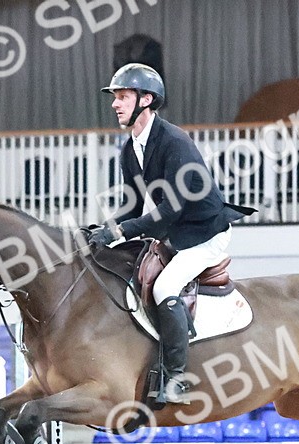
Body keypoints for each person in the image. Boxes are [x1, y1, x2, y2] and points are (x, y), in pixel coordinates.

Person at [88, 63, 252, 405]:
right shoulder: (130, 149)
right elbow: (131, 207)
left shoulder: (174, 141)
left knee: (164, 286)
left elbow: (171, 209)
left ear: (146, 100)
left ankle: (177, 377)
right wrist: (103, 231)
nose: (115, 104)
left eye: (122, 97)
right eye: (114, 98)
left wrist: (123, 231)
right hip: (174, 232)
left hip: (204, 234)